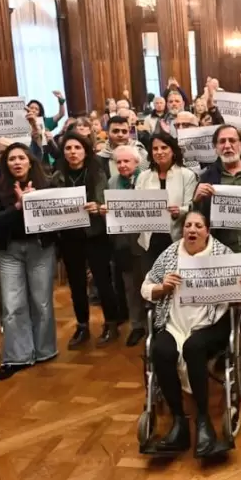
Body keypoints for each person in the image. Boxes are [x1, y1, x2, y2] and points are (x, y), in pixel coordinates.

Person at [141, 211, 241, 458]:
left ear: (207, 230)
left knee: (193, 347)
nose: (192, 230)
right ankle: (179, 422)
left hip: (209, 324)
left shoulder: (223, 255)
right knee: (161, 349)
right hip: (174, 322)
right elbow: (145, 287)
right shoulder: (170, 254)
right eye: (188, 225)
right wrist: (162, 287)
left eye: (198, 225)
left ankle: (203, 421)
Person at [193, 125, 241, 366]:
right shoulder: (206, 177)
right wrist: (196, 199)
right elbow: (196, 219)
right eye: (222, 142)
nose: (227, 145)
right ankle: (223, 347)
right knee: (223, 298)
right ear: (216, 147)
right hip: (221, 249)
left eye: (232, 140)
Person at [0, 143, 59, 380]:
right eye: (11, 159)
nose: (17, 162)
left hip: (40, 248)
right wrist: (19, 206)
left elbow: (58, 218)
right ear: (5, 164)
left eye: (21, 158)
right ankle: (17, 356)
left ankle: (45, 350)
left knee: (42, 302)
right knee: (12, 304)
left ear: (30, 161)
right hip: (10, 251)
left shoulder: (47, 184)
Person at [53, 133, 122, 348]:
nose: (73, 152)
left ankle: (111, 323)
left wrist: (97, 205)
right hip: (70, 236)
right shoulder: (57, 176)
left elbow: (106, 201)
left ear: (85, 150)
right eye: (68, 148)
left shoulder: (97, 172)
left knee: (103, 281)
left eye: (77, 147)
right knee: (76, 284)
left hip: (95, 234)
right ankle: (82, 325)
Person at [104, 145, 150, 346]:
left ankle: (155, 325)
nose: (122, 165)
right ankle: (137, 325)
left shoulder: (148, 178)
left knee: (149, 283)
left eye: (126, 161)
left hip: (145, 240)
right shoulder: (112, 181)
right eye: (118, 162)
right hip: (123, 241)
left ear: (137, 162)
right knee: (130, 286)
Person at [136, 132, 199, 270]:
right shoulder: (143, 177)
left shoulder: (187, 175)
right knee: (152, 284)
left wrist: (179, 211)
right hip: (149, 240)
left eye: (164, 148)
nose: (159, 152)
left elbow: (192, 206)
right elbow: (136, 205)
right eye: (155, 149)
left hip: (176, 237)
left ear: (173, 150)